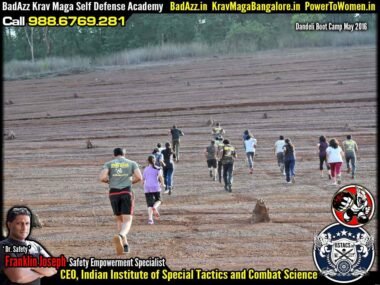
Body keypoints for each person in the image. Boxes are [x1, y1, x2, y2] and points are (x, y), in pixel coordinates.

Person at [99, 147, 142, 255]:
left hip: (113, 193)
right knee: (127, 220)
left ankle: (125, 245)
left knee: (119, 220)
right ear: (124, 154)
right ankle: (121, 236)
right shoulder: (132, 163)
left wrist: (110, 181)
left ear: (114, 155)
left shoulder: (109, 164)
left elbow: (102, 177)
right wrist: (131, 182)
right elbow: (139, 177)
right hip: (126, 192)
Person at [0, 207, 57, 284]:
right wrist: (41, 271)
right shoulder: (4, 246)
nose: (24, 228)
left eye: (27, 223)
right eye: (19, 223)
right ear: (9, 224)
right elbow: (18, 277)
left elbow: (52, 269)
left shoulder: (35, 246)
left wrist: (29, 266)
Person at [142, 155, 165, 225]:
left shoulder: (145, 169)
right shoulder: (158, 168)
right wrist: (163, 184)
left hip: (147, 187)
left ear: (148, 161)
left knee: (149, 204)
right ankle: (155, 207)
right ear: (155, 161)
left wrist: (144, 185)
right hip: (156, 186)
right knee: (159, 200)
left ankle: (150, 219)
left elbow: (143, 180)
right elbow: (161, 177)